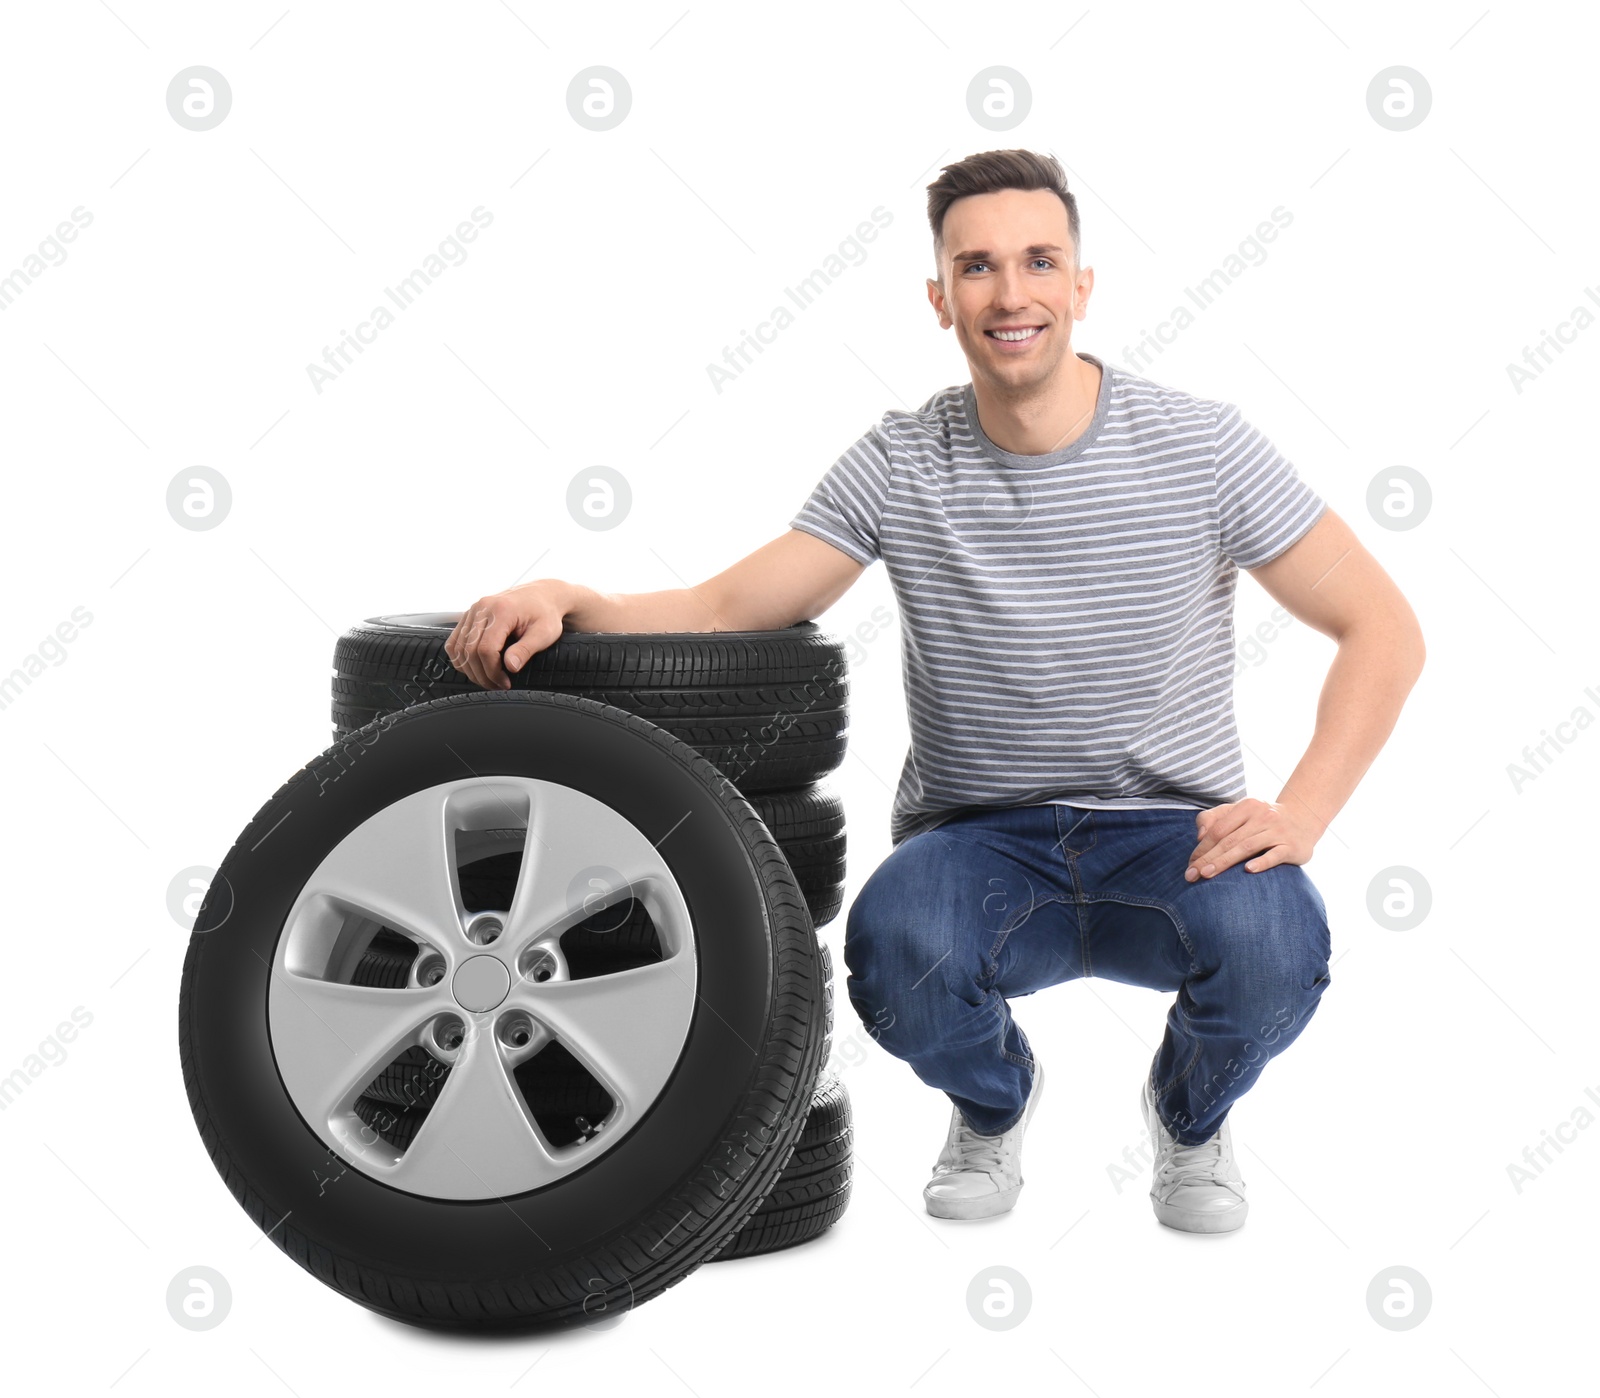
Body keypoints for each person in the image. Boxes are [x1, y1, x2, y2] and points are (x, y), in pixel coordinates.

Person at [443, 148, 1425, 1235]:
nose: (1011, 294)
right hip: (982, 843)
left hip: (1174, 836)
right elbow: (731, 605)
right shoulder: (904, 460)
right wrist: (574, 596)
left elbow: (1380, 629)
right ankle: (993, 1104)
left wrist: (1304, 812)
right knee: (895, 947)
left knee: (1278, 943)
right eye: (978, 266)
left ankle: (1188, 1122)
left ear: (1082, 287)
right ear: (939, 297)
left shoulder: (1202, 446)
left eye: (1039, 261)